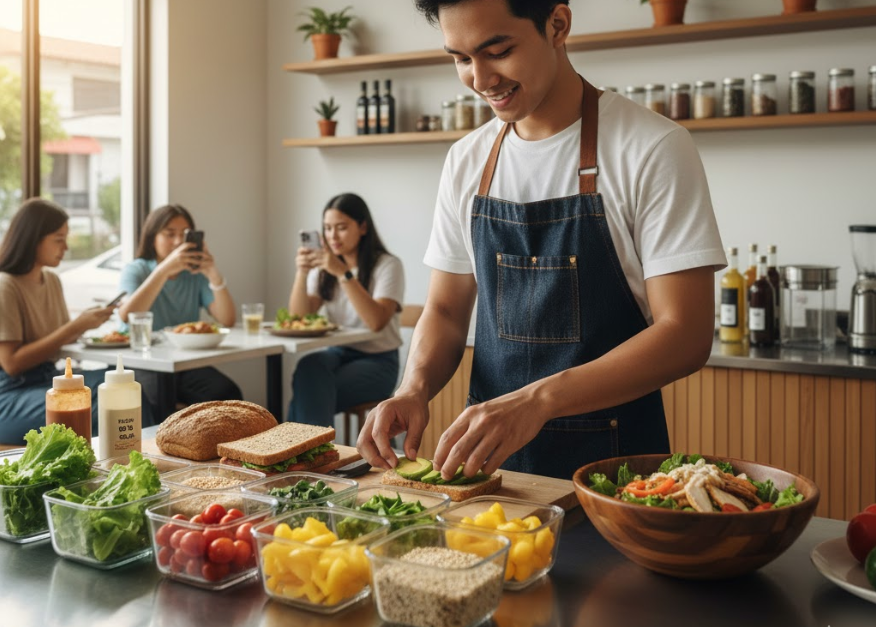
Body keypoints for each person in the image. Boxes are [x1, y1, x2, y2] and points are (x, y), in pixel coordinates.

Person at [357, 0, 726, 481]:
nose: (481, 79)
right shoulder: (466, 160)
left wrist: (537, 401)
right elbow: (445, 312)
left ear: (557, 24)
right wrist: (413, 387)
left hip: (614, 472)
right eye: (461, 58)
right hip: (487, 470)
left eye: (498, 50)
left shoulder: (651, 147)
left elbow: (686, 334)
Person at [0, 198, 115, 443]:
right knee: (97, 402)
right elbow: (11, 363)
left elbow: (63, 337)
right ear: (33, 239)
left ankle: (145, 463)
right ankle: (117, 469)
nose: (66, 247)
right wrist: (77, 325)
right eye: (58, 239)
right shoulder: (5, 285)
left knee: (118, 383)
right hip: (9, 393)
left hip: (49, 378)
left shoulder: (52, 280)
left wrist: (90, 321)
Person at [288, 193, 404, 428]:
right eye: (327, 228)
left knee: (307, 392)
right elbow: (298, 317)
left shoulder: (387, 265)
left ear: (362, 227)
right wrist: (302, 272)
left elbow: (376, 322)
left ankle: (302, 451)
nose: (332, 236)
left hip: (379, 362)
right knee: (309, 366)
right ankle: (313, 451)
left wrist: (343, 274)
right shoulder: (323, 267)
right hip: (338, 354)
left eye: (341, 228)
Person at [118, 204, 242, 413]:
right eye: (169, 234)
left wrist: (212, 273)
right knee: (156, 405)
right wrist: (163, 270)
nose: (177, 242)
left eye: (183, 235)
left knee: (228, 394)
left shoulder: (193, 275)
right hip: (140, 361)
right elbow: (128, 316)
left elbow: (227, 319)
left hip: (182, 362)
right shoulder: (137, 269)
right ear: (153, 237)